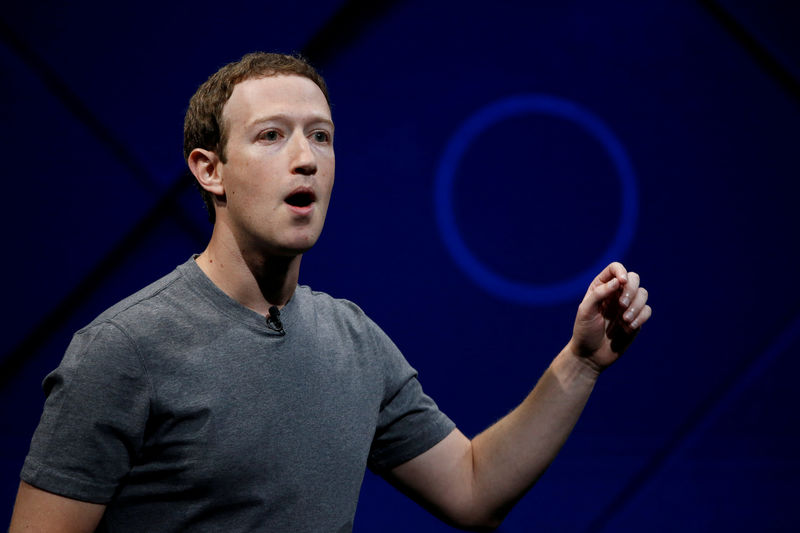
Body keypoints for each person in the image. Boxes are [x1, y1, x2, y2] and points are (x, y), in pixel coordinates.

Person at [9, 52, 651, 532]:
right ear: (210, 171)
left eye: (321, 135)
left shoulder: (353, 340)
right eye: (271, 135)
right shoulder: (124, 349)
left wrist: (581, 364)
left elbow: (474, 488)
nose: (306, 158)